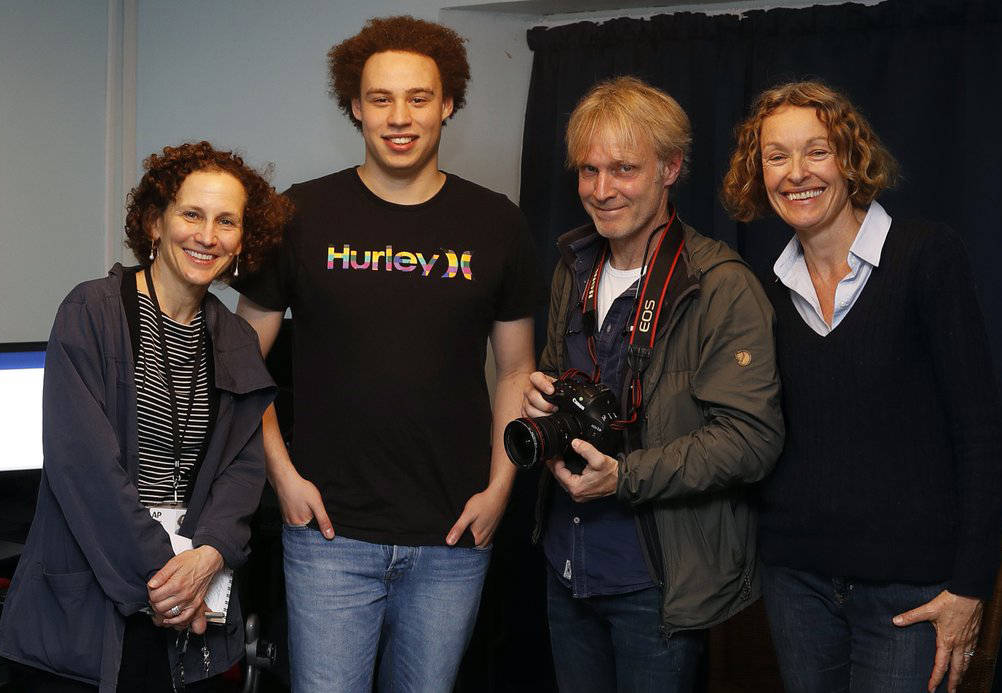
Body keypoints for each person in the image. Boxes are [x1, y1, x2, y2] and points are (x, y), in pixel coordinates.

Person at [234, 16, 542, 693]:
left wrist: (500, 488)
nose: (400, 117)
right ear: (355, 105)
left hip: (454, 533)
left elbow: (517, 369)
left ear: (449, 103)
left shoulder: (496, 222)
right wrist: (280, 474)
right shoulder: (298, 215)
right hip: (328, 534)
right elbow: (239, 361)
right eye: (380, 99)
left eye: (419, 97)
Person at [721, 80, 1002, 693]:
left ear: (850, 158)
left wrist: (972, 585)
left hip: (913, 592)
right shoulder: (765, 292)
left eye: (816, 151)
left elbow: (981, 432)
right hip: (796, 582)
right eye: (776, 156)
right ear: (757, 172)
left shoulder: (926, 257)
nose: (797, 173)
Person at [521, 76, 784, 693]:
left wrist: (626, 476)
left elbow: (752, 441)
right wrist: (543, 402)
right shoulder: (573, 265)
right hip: (567, 563)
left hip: (658, 583)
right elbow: (561, 381)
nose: (602, 190)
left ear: (671, 167)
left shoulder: (720, 284)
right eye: (588, 171)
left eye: (623, 169)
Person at [0, 141, 291, 692]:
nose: (207, 235)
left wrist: (209, 557)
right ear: (155, 222)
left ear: (241, 240)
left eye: (226, 221)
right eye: (192, 214)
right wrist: (167, 583)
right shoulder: (91, 312)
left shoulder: (236, 340)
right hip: (98, 600)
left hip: (190, 602)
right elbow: (83, 469)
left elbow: (242, 472)